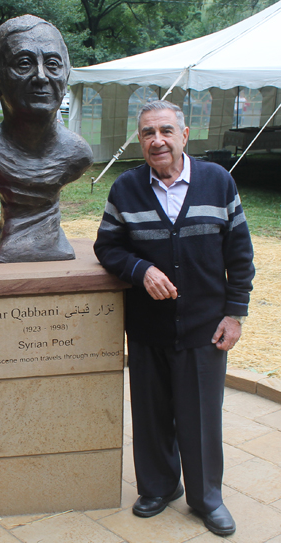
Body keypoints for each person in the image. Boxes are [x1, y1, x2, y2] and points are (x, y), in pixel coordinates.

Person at [94, 100, 254, 536]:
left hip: (205, 326)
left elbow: (240, 255)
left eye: (166, 130)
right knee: (151, 413)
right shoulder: (125, 189)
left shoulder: (217, 183)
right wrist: (139, 269)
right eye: (148, 133)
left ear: (184, 136)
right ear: (140, 140)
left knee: (201, 416)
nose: (157, 140)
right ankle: (159, 487)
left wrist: (235, 314)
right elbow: (107, 247)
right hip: (148, 327)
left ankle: (206, 498)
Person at [0, 15, 93, 263]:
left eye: (53, 64)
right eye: (24, 64)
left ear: (66, 77)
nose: (41, 76)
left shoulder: (79, 154)